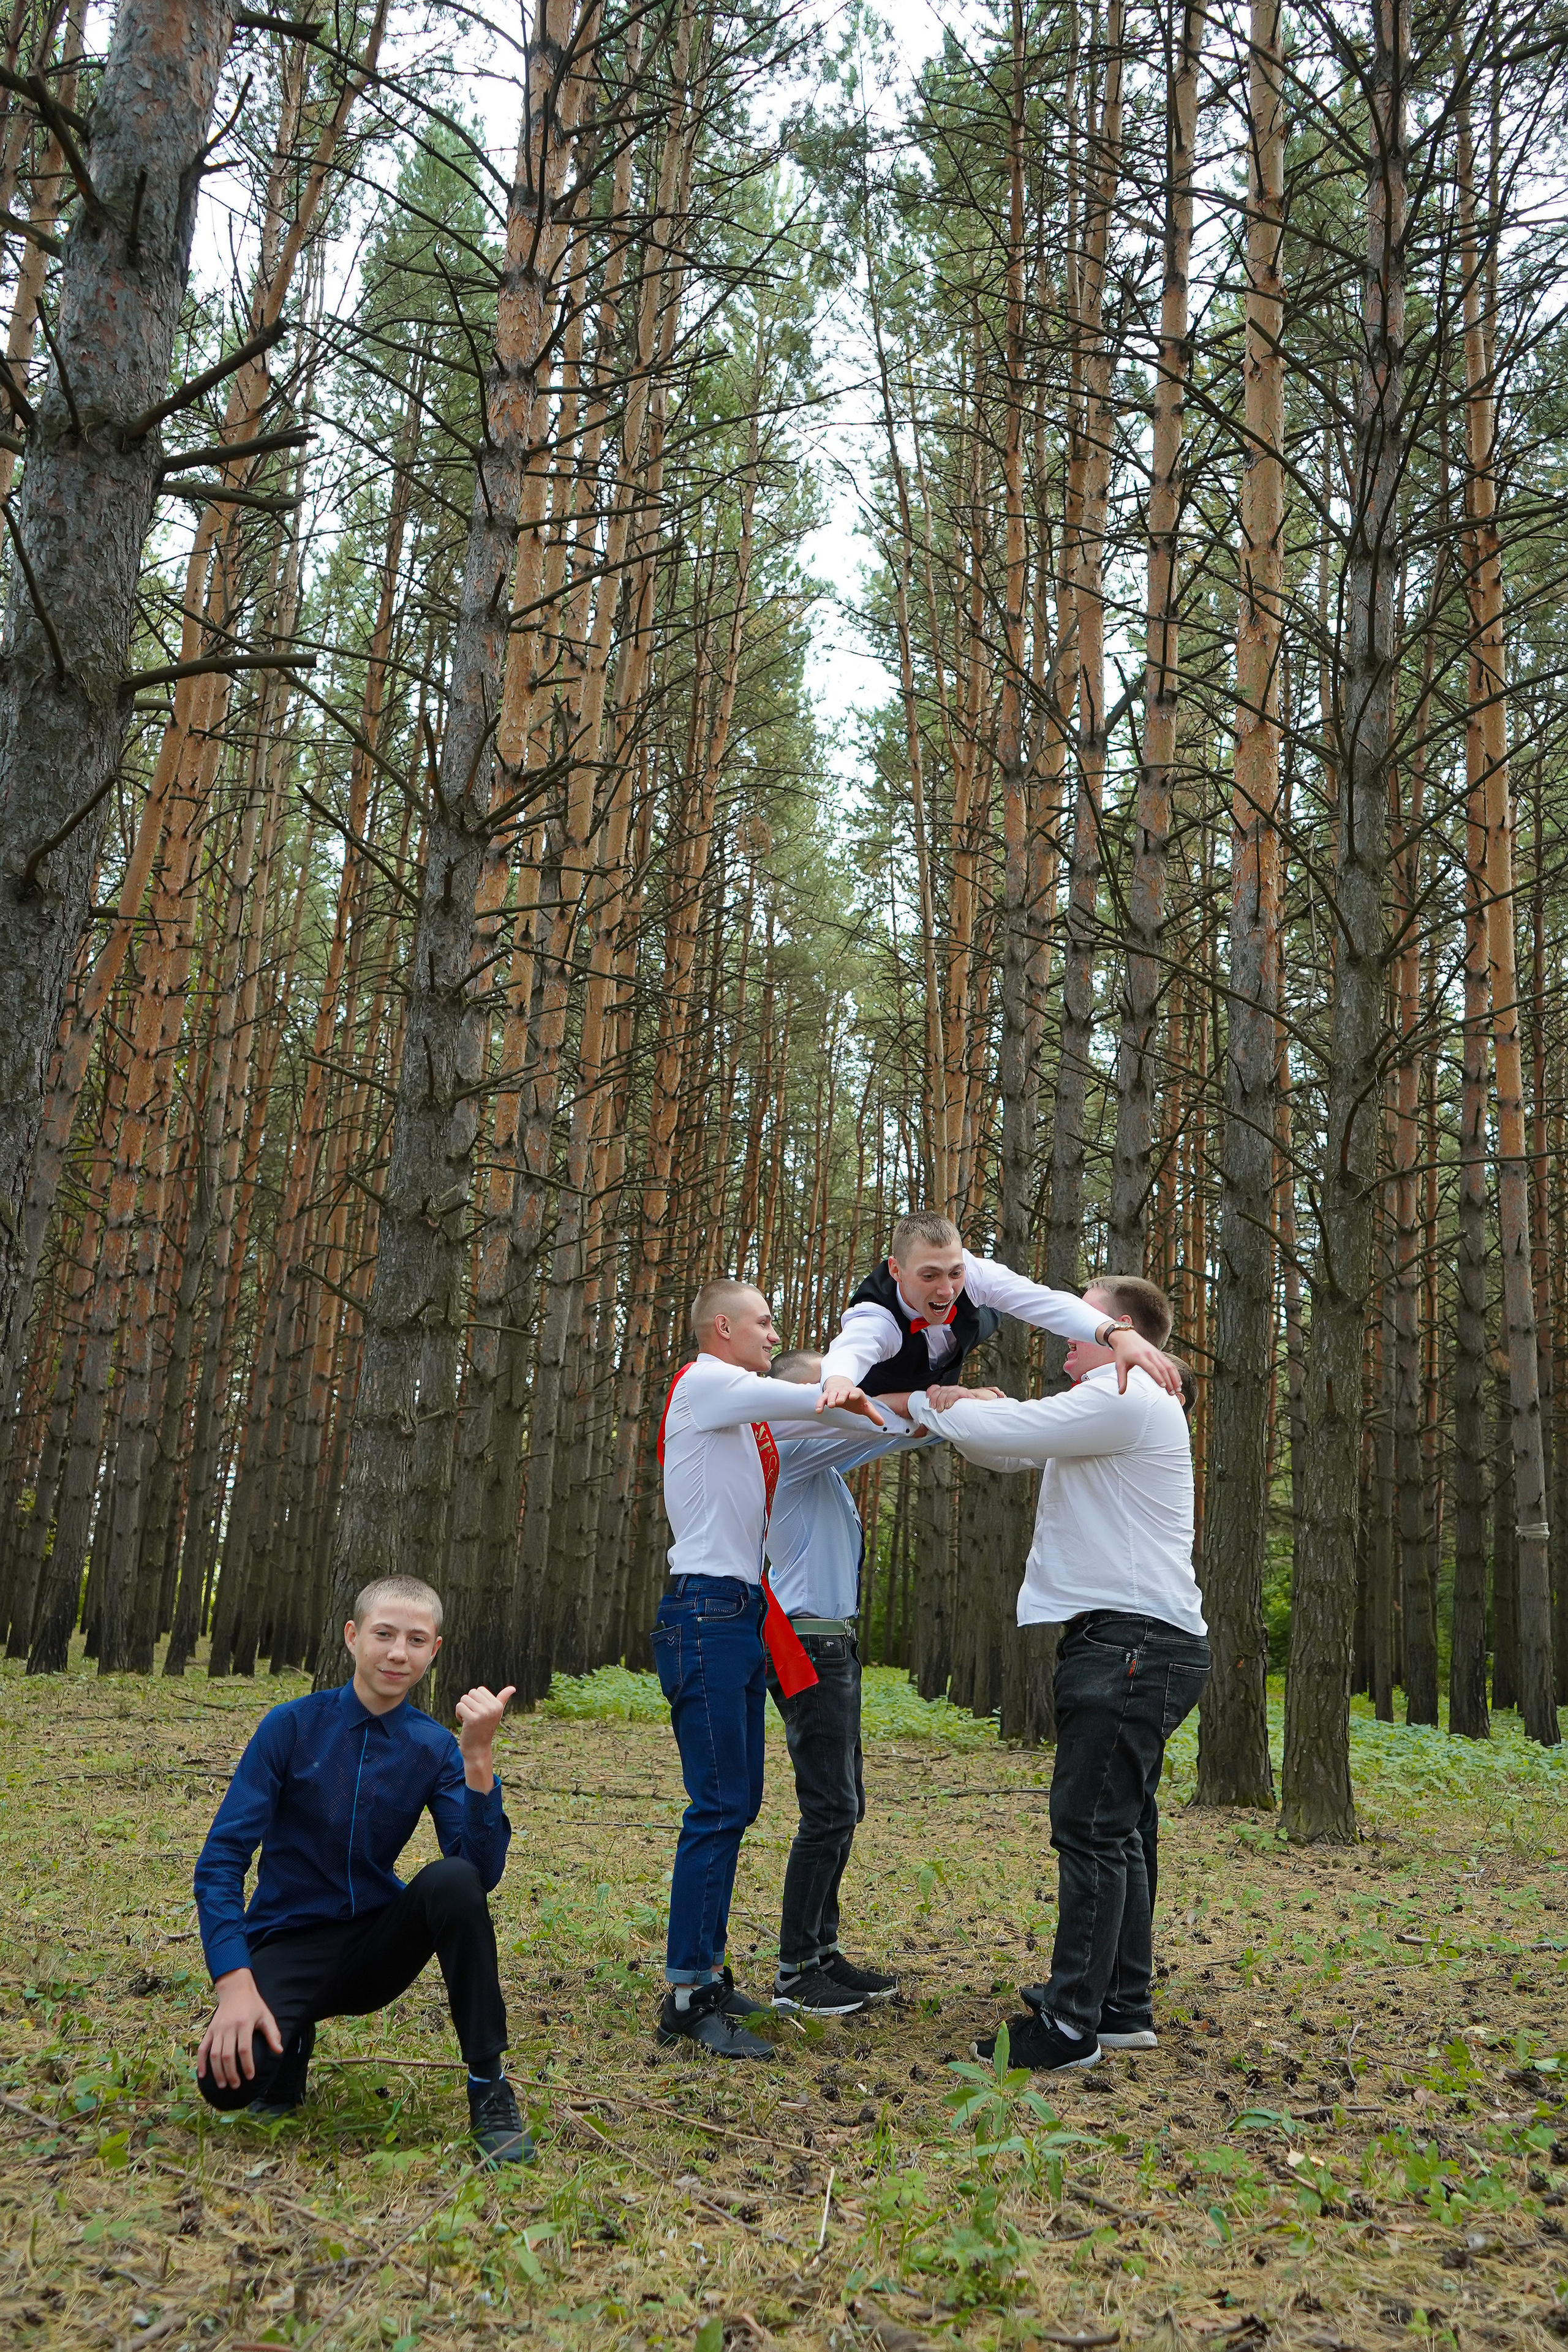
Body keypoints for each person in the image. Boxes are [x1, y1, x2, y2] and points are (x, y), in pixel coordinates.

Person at [908, 1274, 1210, 2075]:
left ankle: (1073, 2025)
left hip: (1129, 1645)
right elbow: (1011, 1446)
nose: (1065, 1325)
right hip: (1137, 1641)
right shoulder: (1119, 1398)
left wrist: (930, 1401)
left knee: (1091, 1830)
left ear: (1116, 1328)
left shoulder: (1124, 1390)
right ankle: (1120, 2006)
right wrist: (962, 1407)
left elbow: (1005, 1437)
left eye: (1082, 1313)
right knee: (1122, 1830)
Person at [193, 1575, 529, 2162]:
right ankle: (288, 2042)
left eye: (416, 1640)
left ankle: (489, 2087)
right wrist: (234, 1983)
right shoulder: (291, 1727)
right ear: (353, 1637)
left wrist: (478, 1757)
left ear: (434, 1651)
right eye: (384, 1634)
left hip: (376, 1946)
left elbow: (479, 1873)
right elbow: (221, 1860)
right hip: (286, 1939)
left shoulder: (434, 1747)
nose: (399, 1652)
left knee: (450, 1880)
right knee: (229, 2088)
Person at [652, 1278, 885, 2059]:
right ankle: (688, 1993)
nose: (771, 1329)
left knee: (737, 1803)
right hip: (708, 1611)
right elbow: (813, 1399)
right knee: (717, 1808)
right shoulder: (709, 1382)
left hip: (739, 1612)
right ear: (721, 1328)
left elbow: (825, 1421)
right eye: (761, 1320)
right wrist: (871, 1381)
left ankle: (707, 1978)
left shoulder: (738, 1411)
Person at [763, 1351, 935, 2017]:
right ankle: (796, 1970)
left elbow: (885, 1434)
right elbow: (880, 1427)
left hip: (828, 1640)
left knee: (843, 1804)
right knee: (829, 1808)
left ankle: (820, 1953)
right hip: (809, 1641)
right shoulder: (791, 1443)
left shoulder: (822, 1463)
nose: (839, 1399)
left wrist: (936, 1414)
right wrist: (938, 1402)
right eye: (824, 1391)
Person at [816, 1210, 1182, 1410]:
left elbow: (1044, 1302)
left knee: (991, 1308)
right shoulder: (876, 1316)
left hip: (969, 1327)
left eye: (954, 1272)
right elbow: (852, 1349)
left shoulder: (975, 1275)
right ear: (896, 1270)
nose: (946, 1289)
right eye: (929, 1275)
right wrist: (838, 1382)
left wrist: (1116, 1333)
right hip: (894, 1378)